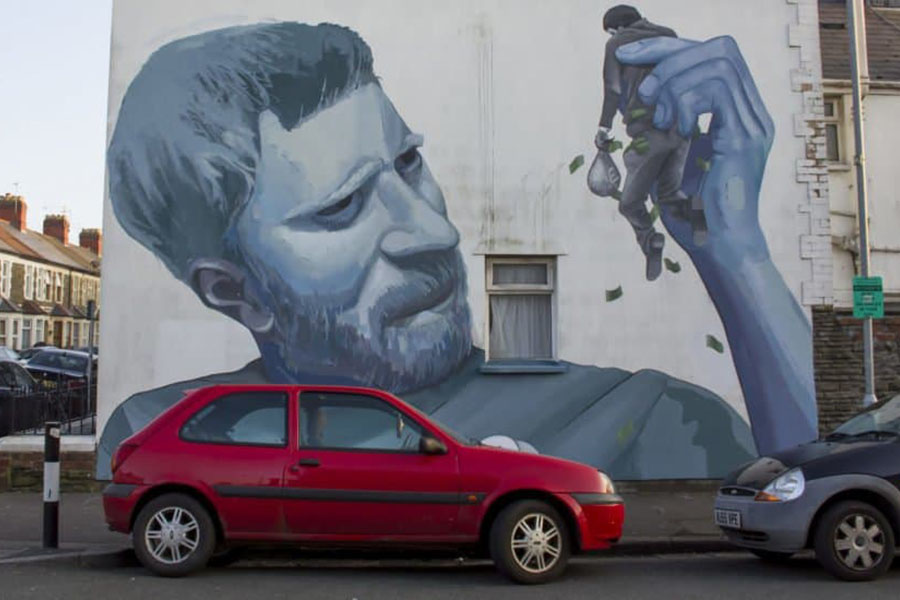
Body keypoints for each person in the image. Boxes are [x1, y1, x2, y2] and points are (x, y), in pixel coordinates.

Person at [97, 21, 816, 481]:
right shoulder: (168, 431)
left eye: (409, 163)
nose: (435, 233)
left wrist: (735, 250)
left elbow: (804, 494)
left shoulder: (652, 418)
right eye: (342, 207)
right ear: (234, 290)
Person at [592, 5, 704, 281]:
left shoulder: (617, 43)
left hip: (649, 131)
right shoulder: (668, 35)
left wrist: (604, 126)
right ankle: (696, 211)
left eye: (611, 31)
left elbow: (613, 88)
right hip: (682, 128)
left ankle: (651, 240)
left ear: (617, 27)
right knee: (669, 195)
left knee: (629, 204)